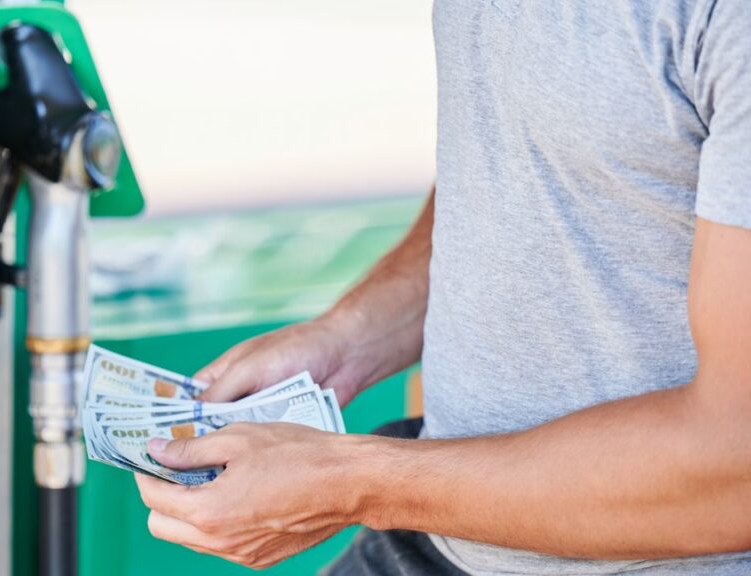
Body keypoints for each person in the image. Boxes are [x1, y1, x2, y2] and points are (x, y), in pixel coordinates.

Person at [134, 1, 751, 574]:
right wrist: (348, 339)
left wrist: (355, 482)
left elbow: (735, 462)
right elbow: (528, 153)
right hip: (432, 532)